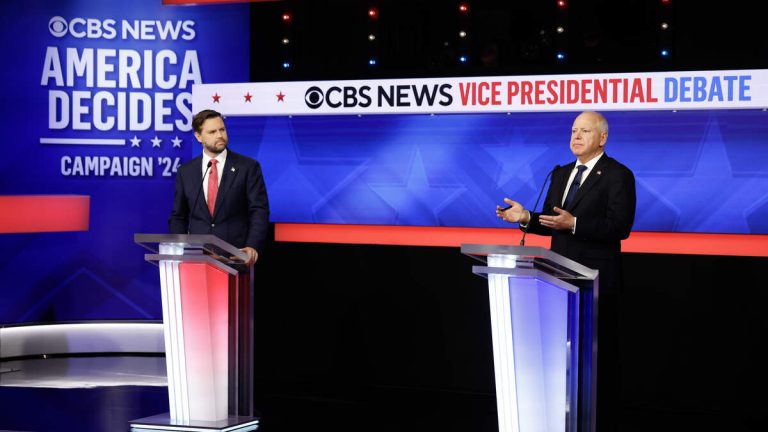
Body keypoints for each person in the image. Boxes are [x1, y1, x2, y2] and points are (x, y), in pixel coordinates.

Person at [496, 111, 636, 431]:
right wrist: (526, 218)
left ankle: (601, 420)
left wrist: (574, 224)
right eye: (573, 130)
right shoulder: (560, 174)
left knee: (596, 360)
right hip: (558, 277)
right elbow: (552, 223)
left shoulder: (617, 175)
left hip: (596, 280)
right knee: (563, 357)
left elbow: (620, 226)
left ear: (602, 138)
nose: (576, 136)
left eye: (585, 131)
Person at [169, 109, 270, 265]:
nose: (219, 135)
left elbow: (259, 211)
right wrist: (178, 248)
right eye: (212, 132)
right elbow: (178, 216)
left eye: (222, 129)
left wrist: (252, 246)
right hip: (196, 260)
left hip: (237, 258)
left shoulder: (248, 167)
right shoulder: (186, 172)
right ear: (198, 136)